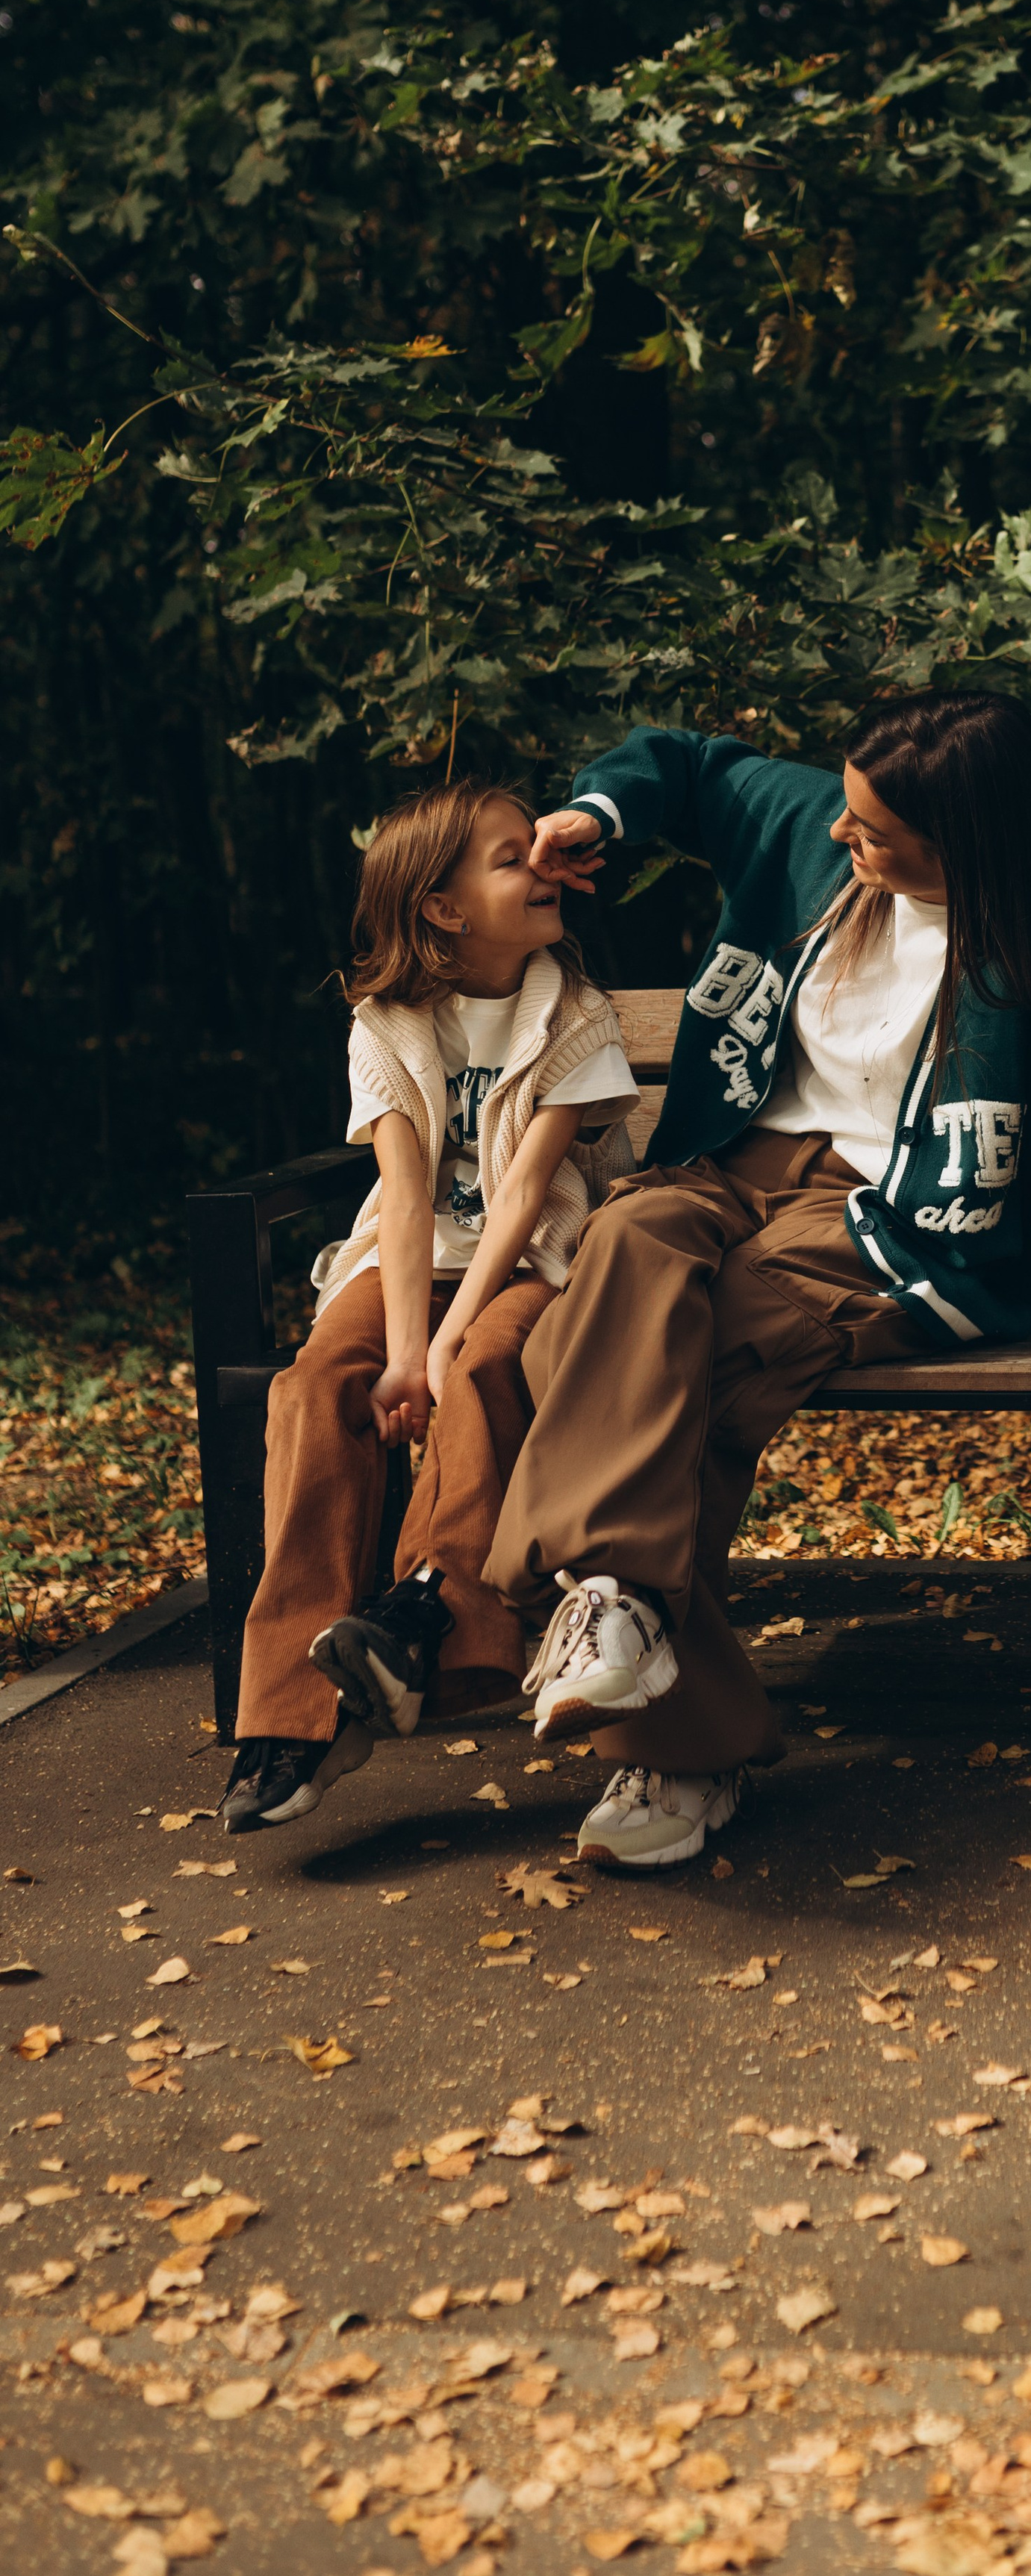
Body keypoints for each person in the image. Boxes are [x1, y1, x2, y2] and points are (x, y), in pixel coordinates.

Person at [488, 690, 1031, 1869]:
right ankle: (628, 1617)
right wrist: (600, 812)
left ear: (965, 846)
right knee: (631, 1247)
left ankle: (673, 1731)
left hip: (887, 1224)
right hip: (727, 1167)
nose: (844, 835)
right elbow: (690, 766)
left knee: (648, 1366)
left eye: (877, 834)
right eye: (847, 813)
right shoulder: (811, 828)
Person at [221, 781, 640, 1831]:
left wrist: (445, 1349)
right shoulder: (386, 1023)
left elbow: (527, 1197)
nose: (542, 867)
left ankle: (421, 1626)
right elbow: (404, 1200)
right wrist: (407, 1351)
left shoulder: (573, 1013)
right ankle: (292, 1717)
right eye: (511, 857)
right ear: (445, 909)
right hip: (404, 1263)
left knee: (488, 1366)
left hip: (532, 1259)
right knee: (316, 1385)